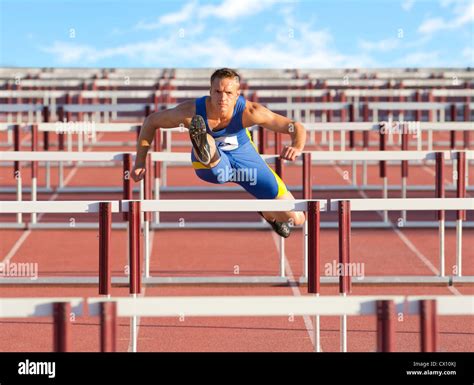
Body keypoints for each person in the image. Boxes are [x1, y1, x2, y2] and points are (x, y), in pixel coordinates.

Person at [132, 68, 306, 237]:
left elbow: (294, 126)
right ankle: (205, 145)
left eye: (229, 93)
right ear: (210, 91)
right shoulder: (190, 111)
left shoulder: (250, 112)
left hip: (245, 159)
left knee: (297, 218)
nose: (223, 98)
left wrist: (296, 146)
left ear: (237, 94)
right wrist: (139, 162)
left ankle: (267, 212)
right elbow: (151, 121)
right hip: (209, 164)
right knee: (213, 157)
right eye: (218, 91)